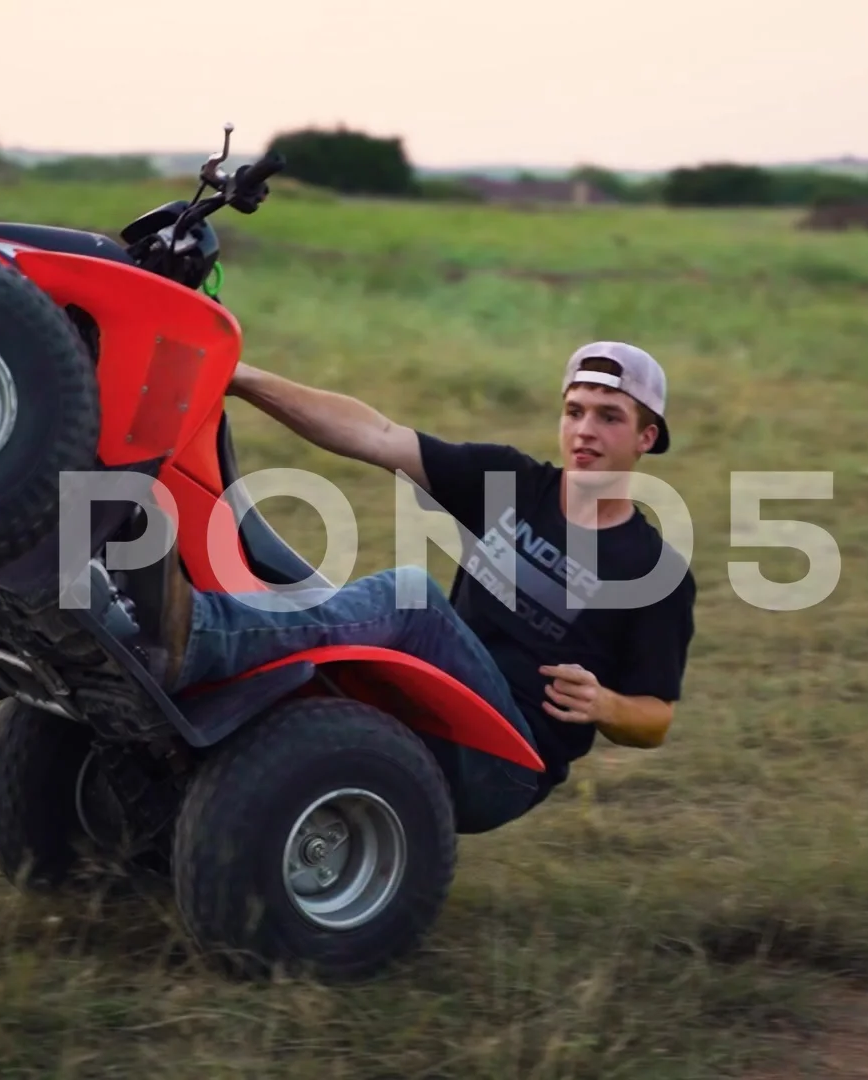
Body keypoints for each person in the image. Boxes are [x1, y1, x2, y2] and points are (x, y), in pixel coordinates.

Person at [116, 341, 697, 834]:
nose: (585, 431)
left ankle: (199, 637)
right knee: (320, 625)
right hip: (440, 703)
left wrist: (606, 704)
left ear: (646, 437)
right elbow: (377, 435)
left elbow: (655, 717)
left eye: (609, 416)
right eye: (574, 411)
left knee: (410, 598)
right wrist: (240, 379)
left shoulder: (652, 570)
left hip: (507, 762)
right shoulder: (514, 483)